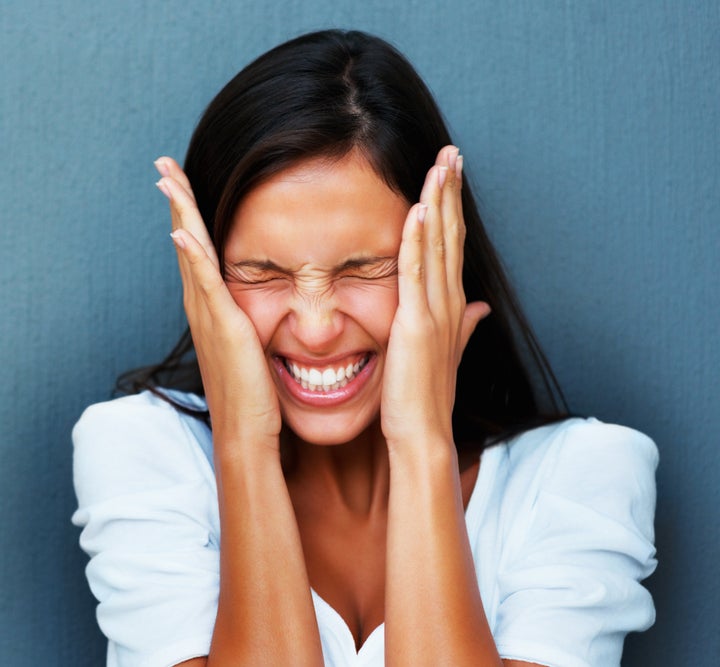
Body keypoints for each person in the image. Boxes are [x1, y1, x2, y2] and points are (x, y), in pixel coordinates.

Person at [72, 29, 657, 667]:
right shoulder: (143, 454)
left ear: (443, 257)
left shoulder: (581, 477)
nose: (318, 328)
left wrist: (420, 440)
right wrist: (242, 439)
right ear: (205, 277)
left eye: (364, 268)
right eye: (263, 272)